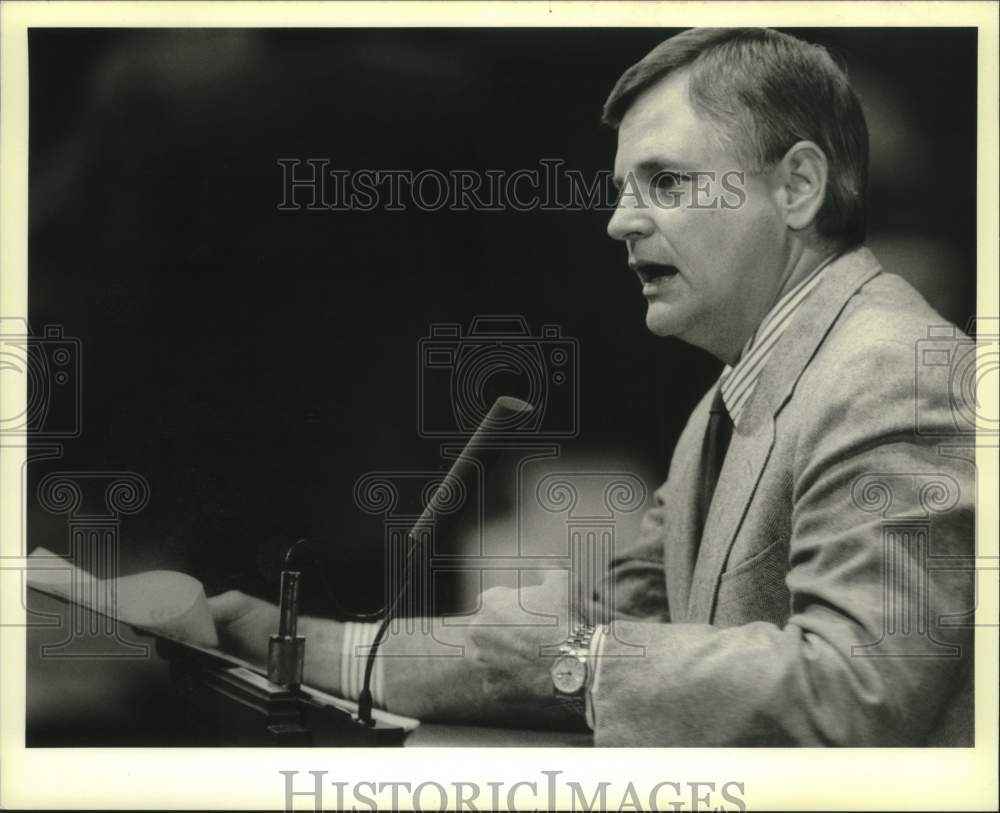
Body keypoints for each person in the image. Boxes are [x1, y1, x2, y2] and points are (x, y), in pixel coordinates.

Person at [208, 28, 975, 745]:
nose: (618, 222)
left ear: (798, 186)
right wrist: (289, 642)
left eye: (666, 181)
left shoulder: (892, 375)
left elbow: (859, 687)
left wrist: (577, 652)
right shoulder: (745, 384)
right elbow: (604, 624)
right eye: (621, 188)